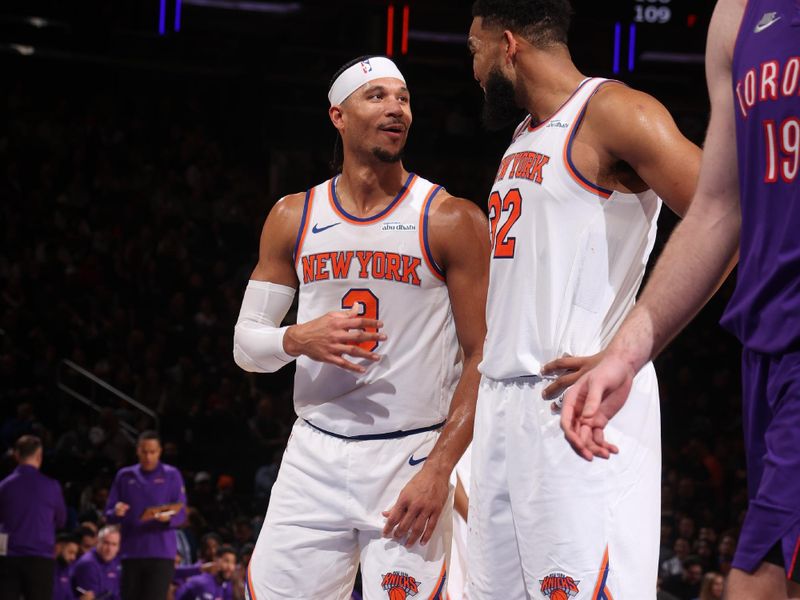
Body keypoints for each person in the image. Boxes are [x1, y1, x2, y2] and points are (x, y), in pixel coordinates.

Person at [560, 0, 800, 597]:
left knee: (759, 581)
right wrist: (627, 350)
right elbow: (719, 206)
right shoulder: (737, 16)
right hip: (768, 345)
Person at [465, 0, 703, 597]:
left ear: (507, 45)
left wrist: (630, 349)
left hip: (576, 399)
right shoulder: (524, 135)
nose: (472, 70)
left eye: (475, 51)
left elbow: (725, 219)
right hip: (503, 405)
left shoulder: (617, 112)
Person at [234, 54, 490, 599]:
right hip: (314, 454)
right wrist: (298, 337)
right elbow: (247, 346)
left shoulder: (450, 218)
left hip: (410, 456)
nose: (396, 108)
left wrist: (440, 469)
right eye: (377, 96)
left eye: (403, 98)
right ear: (338, 116)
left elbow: (484, 355)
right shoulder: (293, 216)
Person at [104, 430, 187, 599]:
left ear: (160, 451)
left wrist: (168, 519)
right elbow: (109, 513)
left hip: (161, 553)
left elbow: (182, 513)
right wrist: (116, 511)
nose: (148, 457)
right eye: (144, 452)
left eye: (152, 452)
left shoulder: (172, 475)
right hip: (131, 551)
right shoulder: (125, 476)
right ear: (137, 451)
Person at [0, 435, 67, 600]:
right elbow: (61, 521)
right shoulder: (52, 486)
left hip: (8, 558)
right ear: (39, 456)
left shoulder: (4, 486)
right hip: (40, 559)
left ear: (16, 456)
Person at [71, 526, 122, 600]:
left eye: (114, 544)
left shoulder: (115, 562)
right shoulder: (88, 564)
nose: (109, 549)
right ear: (97, 542)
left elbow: (117, 594)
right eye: (106, 543)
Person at [53, 533, 80, 600]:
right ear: (58, 548)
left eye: (75, 554)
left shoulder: (66, 569)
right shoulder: (46, 570)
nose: (73, 558)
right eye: (70, 552)